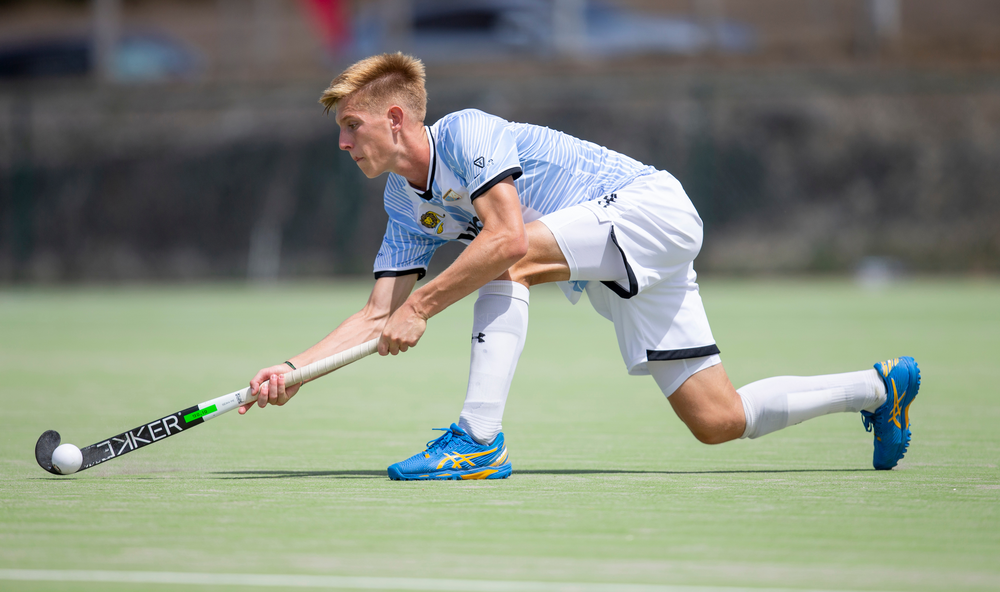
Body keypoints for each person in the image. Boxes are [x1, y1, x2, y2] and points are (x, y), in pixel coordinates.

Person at [239, 52, 920, 480]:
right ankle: (878, 388)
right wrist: (295, 371)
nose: (342, 143)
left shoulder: (467, 132)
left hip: (647, 210)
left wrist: (422, 307)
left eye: (351, 126)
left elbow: (507, 241)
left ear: (395, 119)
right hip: (610, 255)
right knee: (717, 419)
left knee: (501, 261)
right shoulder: (401, 200)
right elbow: (376, 313)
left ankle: (477, 440)